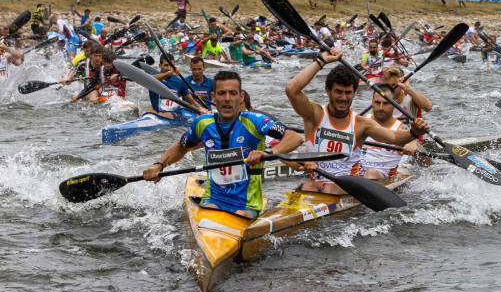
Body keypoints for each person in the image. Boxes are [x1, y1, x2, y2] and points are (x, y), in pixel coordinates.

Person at [141, 71, 303, 219]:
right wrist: (159, 165)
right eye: (221, 93)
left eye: (233, 93)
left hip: (247, 205)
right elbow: (181, 147)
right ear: (213, 97)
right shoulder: (203, 124)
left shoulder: (256, 121)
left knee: (240, 214)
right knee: (206, 213)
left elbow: (294, 137)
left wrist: (268, 153)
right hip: (212, 200)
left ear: (241, 97)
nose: (227, 98)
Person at [284, 50, 429, 195]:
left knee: (326, 187)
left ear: (354, 93)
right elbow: (292, 90)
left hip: (347, 188)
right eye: (338, 92)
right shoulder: (313, 114)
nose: (343, 98)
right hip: (314, 185)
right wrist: (320, 62)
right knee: (309, 186)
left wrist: (414, 132)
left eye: (348, 93)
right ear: (328, 91)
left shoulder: (361, 124)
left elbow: (395, 138)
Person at [358, 84, 419, 181]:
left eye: (386, 103)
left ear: (394, 104)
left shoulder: (401, 129)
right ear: (372, 102)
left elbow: (428, 163)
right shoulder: (360, 122)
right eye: (377, 102)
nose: (381, 108)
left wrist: (414, 144)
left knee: (371, 173)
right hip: (356, 176)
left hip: (384, 178)